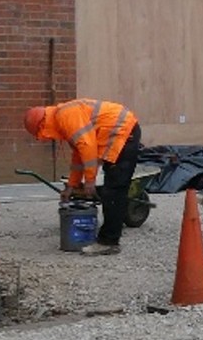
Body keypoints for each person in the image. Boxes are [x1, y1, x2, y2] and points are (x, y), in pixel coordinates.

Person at [23, 99, 142, 256]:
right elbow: (79, 156)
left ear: (42, 126)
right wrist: (72, 185)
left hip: (123, 133)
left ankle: (109, 242)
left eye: (41, 135)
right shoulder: (63, 118)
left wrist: (90, 181)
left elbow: (87, 146)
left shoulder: (65, 117)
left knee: (114, 191)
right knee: (112, 190)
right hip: (120, 131)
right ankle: (109, 237)